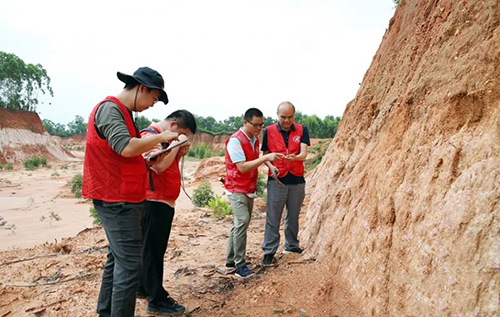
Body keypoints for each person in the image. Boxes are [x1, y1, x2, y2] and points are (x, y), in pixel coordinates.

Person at [82, 66, 178, 317]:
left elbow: (127, 155)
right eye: (153, 99)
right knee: (130, 266)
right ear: (142, 88)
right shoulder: (110, 109)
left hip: (125, 197)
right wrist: (161, 137)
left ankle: (107, 311)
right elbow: (125, 147)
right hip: (116, 200)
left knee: (117, 261)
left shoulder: (124, 113)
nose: (151, 106)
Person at [137, 110, 197, 316]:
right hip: (154, 201)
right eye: (182, 134)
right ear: (173, 126)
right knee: (153, 251)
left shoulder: (162, 139)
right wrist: (175, 145)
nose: (182, 138)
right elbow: (159, 166)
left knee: (152, 249)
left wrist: (178, 150)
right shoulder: (149, 136)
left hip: (162, 200)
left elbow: (166, 160)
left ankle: (144, 287)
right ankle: (156, 299)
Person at [224, 108, 283, 278]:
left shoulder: (254, 139)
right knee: (242, 222)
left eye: (261, 125)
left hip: (248, 187)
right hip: (236, 188)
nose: (259, 128)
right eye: (255, 125)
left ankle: (230, 260)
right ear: (245, 122)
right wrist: (266, 158)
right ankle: (239, 265)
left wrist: (270, 166)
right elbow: (242, 167)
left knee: (240, 224)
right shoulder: (236, 141)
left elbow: (253, 159)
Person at [261, 101, 310, 267]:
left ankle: (291, 245)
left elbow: (303, 153)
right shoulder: (268, 131)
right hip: (277, 180)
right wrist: (271, 166)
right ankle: (269, 252)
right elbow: (265, 155)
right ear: (277, 115)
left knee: (293, 215)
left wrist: (295, 157)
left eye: (290, 117)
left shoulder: (302, 130)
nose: (287, 120)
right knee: (273, 217)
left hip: (297, 179)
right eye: (283, 117)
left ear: (294, 116)